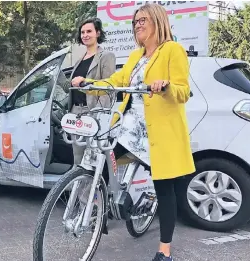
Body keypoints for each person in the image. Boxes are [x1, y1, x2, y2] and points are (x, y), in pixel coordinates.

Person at [71, 3, 195, 261]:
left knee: (165, 189)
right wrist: (90, 85)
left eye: (143, 20)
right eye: (135, 21)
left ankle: (165, 251)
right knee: (103, 165)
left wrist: (166, 85)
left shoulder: (172, 50)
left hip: (160, 131)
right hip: (130, 128)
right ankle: (107, 210)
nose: (138, 25)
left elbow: (183, 90)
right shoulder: (135, 56)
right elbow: (115, 82)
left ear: (157, 21)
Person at [69, 17, 116, 165]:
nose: (85, 35)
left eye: (89, 31)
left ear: (98, 33)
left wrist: (99, 115)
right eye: (82, 32)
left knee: (92, 160)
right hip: (76, 113)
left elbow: (108, 87)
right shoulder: (79, 59)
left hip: (93, 112)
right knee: (77, 159)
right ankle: (77, 188)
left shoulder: (106, 56)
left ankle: (92, 188)